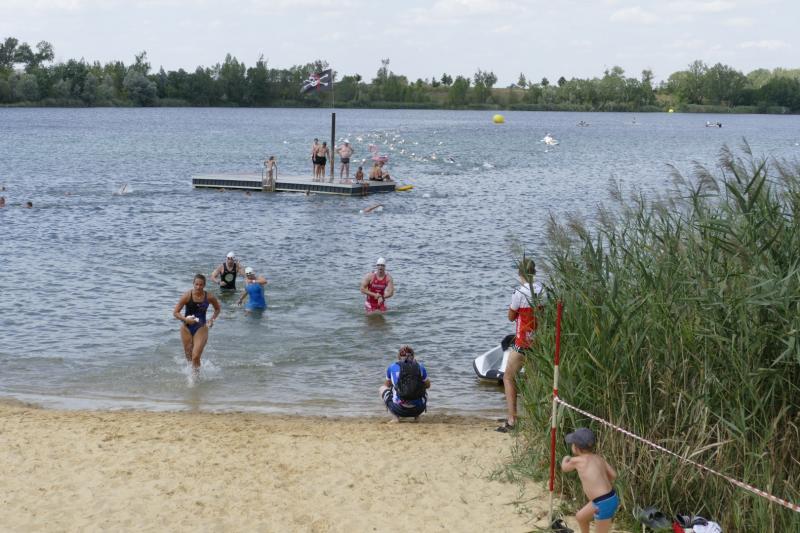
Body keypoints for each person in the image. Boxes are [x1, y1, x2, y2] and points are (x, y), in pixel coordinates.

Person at [498, 257, 545, 432]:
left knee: (508, 377)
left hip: (522, 343)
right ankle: (536, 420)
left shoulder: (519, 292)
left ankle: (512, 420)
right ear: (534, 273)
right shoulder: (543, 290)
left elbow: (511, 317)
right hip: (539, 344)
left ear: (520, 274)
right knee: (534, 380)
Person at [561, 428, 619, 533]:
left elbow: (564, 468)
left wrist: (566, 458)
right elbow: (614, 475)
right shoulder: (598, 458)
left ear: (576, 447)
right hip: (608, 497)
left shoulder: (576, 461)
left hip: (603, 502)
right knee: (580, 517)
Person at [172, 273, 222, 373]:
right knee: (189, 356)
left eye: (201, 285)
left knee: (195, 356)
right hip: (186, 328)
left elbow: (217, 309)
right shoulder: (187, 296)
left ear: (204, 285)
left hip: (201, 327)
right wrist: (185, 319)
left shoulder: (209, 297)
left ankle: (196, 377)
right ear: (193, 284)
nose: (198, 287)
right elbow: (175, 313)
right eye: (196, 284)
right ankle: (192, 374)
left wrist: (211, 319)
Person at [380, 345, 430, 422]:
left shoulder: (392, 367)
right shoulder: (420, 366)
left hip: (398, 409)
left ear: (399, 357)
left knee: (382, 388)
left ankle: (395, 418)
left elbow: (387, 385)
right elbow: (428, 385)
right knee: (422, 387)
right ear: (413, 356)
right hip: (418, 409)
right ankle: (417, 417)